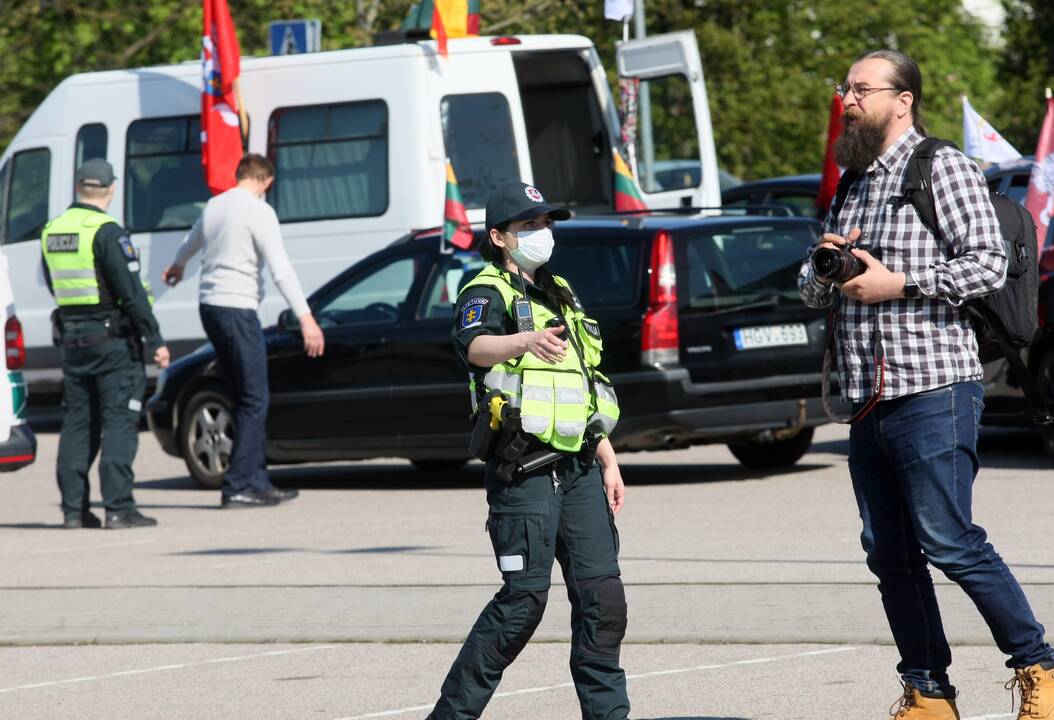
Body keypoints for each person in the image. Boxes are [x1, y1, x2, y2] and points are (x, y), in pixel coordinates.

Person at [799, 49, 1054, 719]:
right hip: (867, 398)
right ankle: (928, 692)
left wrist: (900, 283)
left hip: (936, 387)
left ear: (902, 99)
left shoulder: (937, 166)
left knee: (947, 537)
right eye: (845, 87)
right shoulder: (852, 181)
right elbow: (807, 288)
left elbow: (988, 265)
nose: (847, 99)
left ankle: (1040, 668)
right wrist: (826, 268)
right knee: (889, 552)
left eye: (860, 89)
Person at [427, 181, 629, 720]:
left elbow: (583, 382)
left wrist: (608, 459)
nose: (543, 234)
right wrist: (521, 341)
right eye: (530, 226)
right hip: (525, 472)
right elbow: (473, 348)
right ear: (499, 237)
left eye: (547, 223)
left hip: (581, 469)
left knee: (602, 603)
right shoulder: (484, 290)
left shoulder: (560, 290)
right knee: (522, 605)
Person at [162, 154, 324, 508]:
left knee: (242, 395)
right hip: (237, 308)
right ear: (266, 181)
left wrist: (177, 266)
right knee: (254, 397)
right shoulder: (258, 211)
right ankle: (239, 484)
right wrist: (306, 317)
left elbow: (191, 242)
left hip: (210, 308)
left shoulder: (215, 205)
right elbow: (280, 267)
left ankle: (257, 479)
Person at [41, 159, 170, 529]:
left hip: (73, 339)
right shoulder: (108, 231)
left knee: (78, 423)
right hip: (112, 341)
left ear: (79, 188)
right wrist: (155, 338)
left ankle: (73, 511)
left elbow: (55, 284)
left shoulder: (52, 230)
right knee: (119, 420)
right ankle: (119, 508)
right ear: (110, 190)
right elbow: (130, 294)